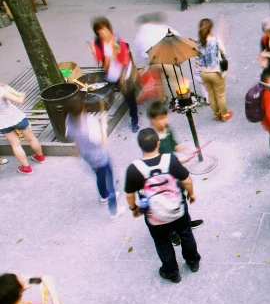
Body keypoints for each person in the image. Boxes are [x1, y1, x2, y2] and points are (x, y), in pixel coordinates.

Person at [125, 128, 200, 283]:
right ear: (158, 143)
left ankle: (172, 273)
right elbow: (186, 180)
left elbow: (129, 194)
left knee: (162, 243)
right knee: (186, 233)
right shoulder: (170, 160)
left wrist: (134, 209)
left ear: (140, 146)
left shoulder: (134, 168)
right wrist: (191, 194)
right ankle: (193, 262)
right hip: (177, 209)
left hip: (154, 215)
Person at [147, 101, 203, 239]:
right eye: (158, 119)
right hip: (162, 176)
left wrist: (187, 149)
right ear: (152, 120)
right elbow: (157, 162)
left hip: (174, 170)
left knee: (180, 198)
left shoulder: (168, 129)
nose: (162, 122)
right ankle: (171, 233)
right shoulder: (151, 138)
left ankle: (185, 223)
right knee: (167, 204)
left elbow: (174, 145)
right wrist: (181, 160)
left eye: (164, 117)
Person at [65, 94, 125, 222]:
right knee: (109, 180)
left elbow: (72, 136)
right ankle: (114, 211)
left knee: (99, 175)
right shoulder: (90, 123)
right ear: (82, 107)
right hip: (100, 157)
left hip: (86, 155)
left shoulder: (69, 119)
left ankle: (104, 195)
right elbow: (102, 141)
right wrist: (103, 124)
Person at [87, 17, 139, 133]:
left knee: (130, 98)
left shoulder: (117, 40)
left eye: (104, 30)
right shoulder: (98, 43)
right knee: (114, 92)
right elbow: (101, 59)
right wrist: (94, 53)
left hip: (123, 74)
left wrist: (116, 54)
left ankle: (134, 120)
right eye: (99, 32)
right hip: (112, 73)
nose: (103, 34)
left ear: (108, 29)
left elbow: (125, 61)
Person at [0, 83, 45, 175]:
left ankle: (26, 167)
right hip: (17, 117)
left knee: (15, 144)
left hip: (3, 123)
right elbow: (19, 100)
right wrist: (22, 93)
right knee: (31, 138)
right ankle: (40, 157)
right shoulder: (1, 91)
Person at [196, 18, 232, 122]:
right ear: (211, 29)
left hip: (203, 72)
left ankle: (217, 114)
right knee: (220, 95)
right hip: (215, 72)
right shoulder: (215, 40)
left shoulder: (197, 41)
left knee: (211, 94)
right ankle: (224, 115)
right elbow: (223, 52)